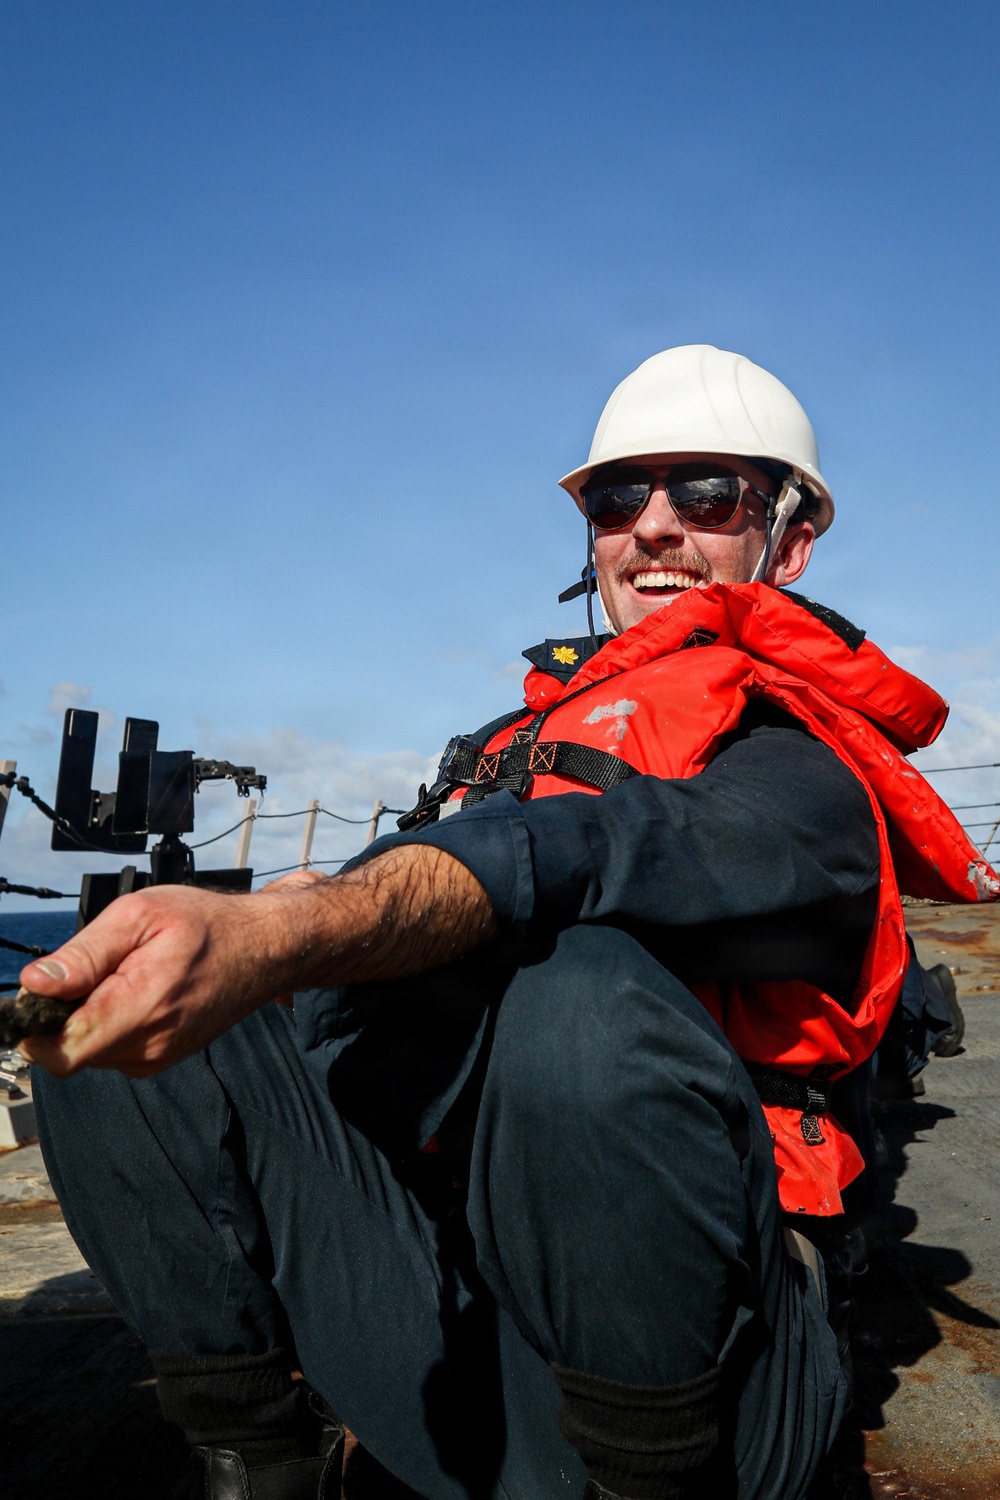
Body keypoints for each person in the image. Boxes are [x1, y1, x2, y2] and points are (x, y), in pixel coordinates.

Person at [21, 346, 998, 1500]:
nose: (654, 527)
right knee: (105, 1008)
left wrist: (310, 925)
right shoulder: (512, 746)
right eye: (617, 497)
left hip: (712, 1386)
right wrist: (261, 935)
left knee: (579, 992)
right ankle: (263, 1464)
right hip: (450, 1318)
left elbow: (606, 850)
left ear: (786, 539)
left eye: (705, 493)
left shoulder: (801, 764)